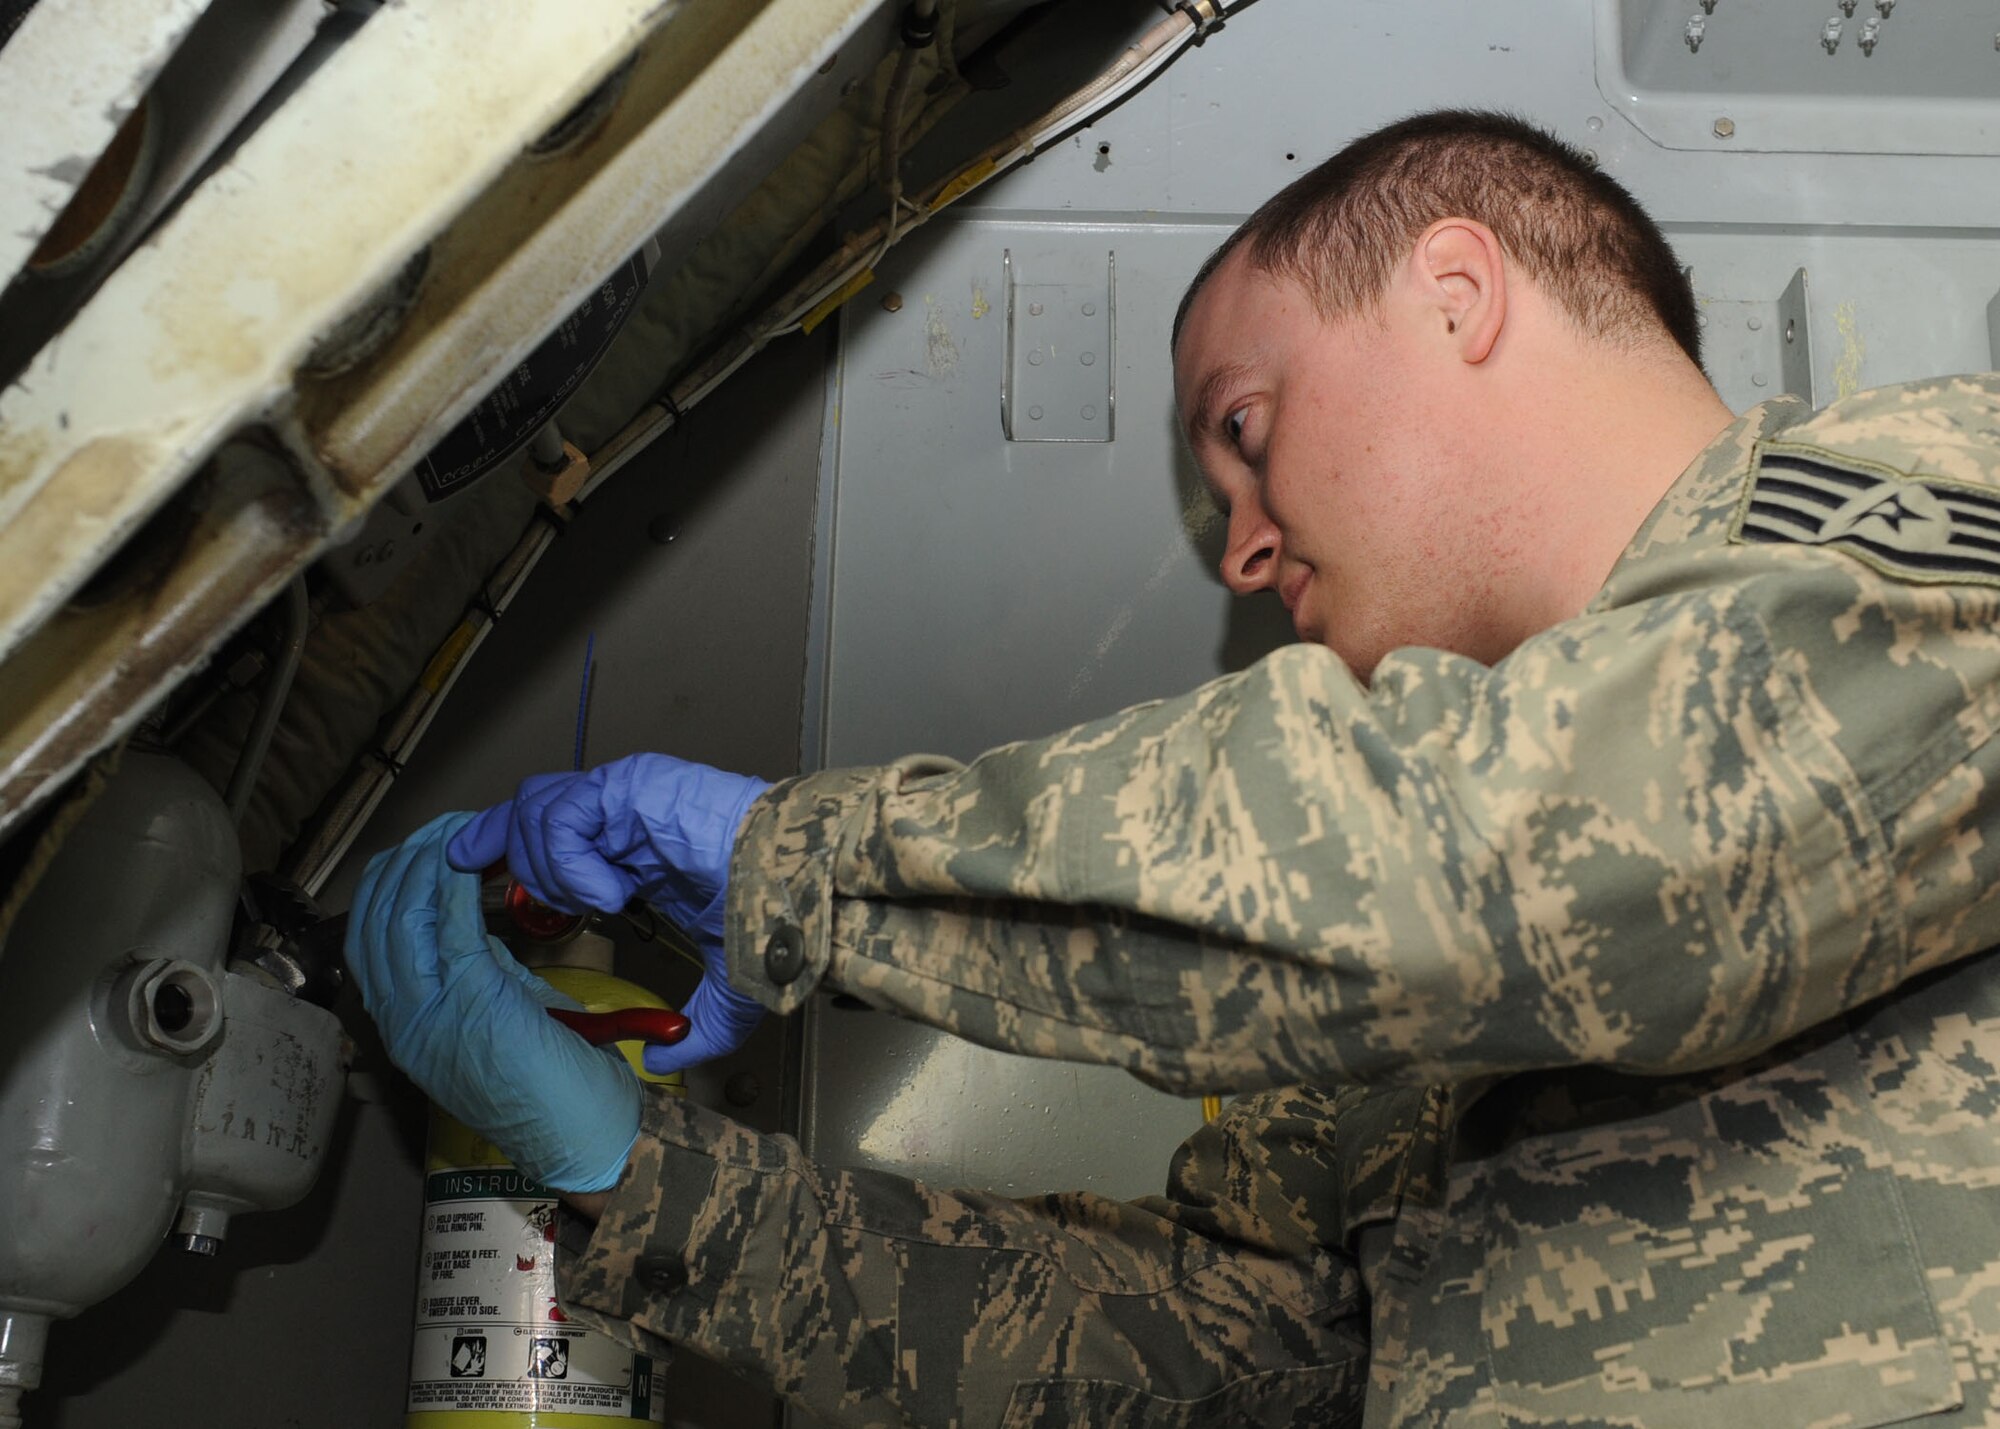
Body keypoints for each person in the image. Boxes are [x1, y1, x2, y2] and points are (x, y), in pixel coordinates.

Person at [348, 108, 2000, 1427]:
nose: (1241, 550)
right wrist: (640, 1175)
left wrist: (798, 867)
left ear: (1455, 293)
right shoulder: (1377, 1016)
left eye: (1247, 431)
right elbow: (1217, 1357)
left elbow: (1507, 855)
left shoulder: (1926, 507)